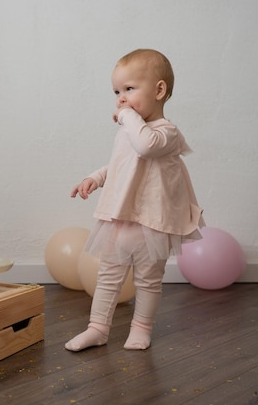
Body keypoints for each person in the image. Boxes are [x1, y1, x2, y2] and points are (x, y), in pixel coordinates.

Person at [66, 49, 204, 352]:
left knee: (148, 279)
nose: (121, 98)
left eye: (129, 89)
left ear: (159, 90)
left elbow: (144, 147)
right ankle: (97, 328)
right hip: (122, 218)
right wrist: (96, 178)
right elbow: (121, 163)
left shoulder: (166, 133)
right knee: (108, 276)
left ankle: (141, 328)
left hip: (152, 222)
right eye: (117, 91)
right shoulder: (129, 131)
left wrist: (127, 115)